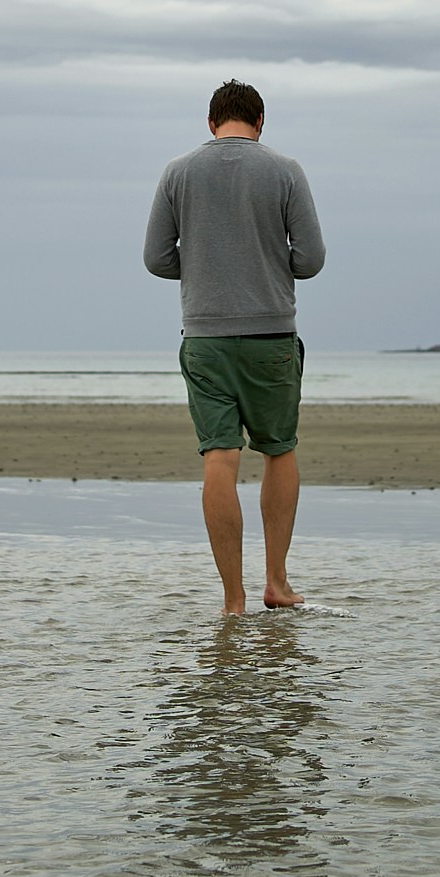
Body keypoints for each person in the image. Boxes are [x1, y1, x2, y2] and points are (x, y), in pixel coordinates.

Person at [142, 80, 325, 614]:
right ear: (260, 123)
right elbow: (310, 259)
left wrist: (201, 265)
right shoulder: (285, 169)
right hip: (271, 333)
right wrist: (269, 263)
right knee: (280, 450)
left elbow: (156, 258)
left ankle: (233, 599)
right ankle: (277, 581)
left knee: (220, 459)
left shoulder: (178, 171)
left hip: (205, 336)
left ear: (211, 123)